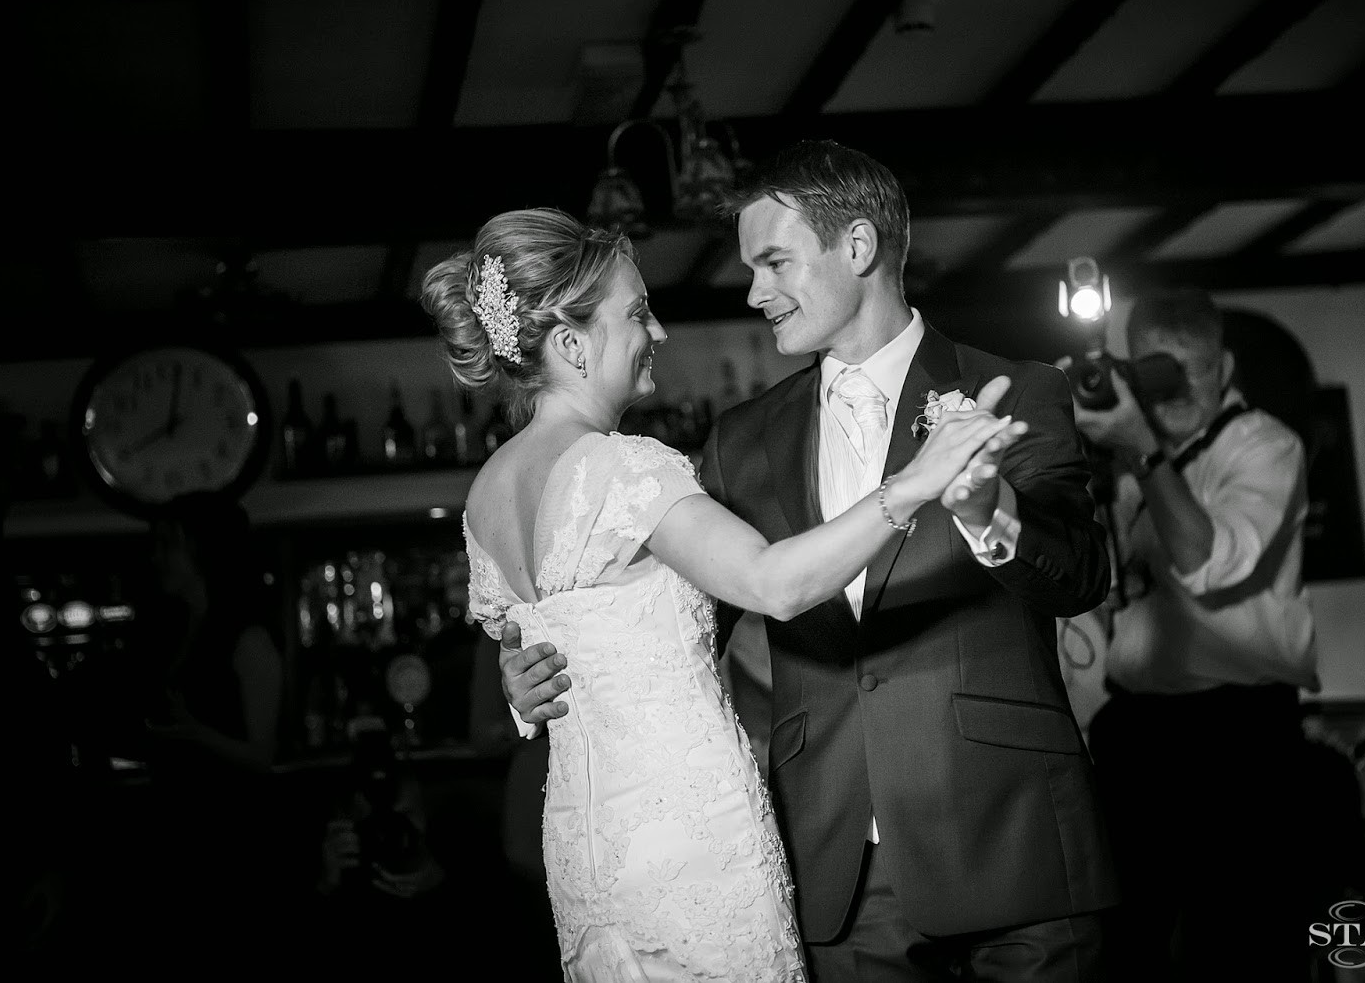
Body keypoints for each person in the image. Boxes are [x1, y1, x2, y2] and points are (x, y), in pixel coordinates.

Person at [504, 141, 1119, 982]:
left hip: (1016, 844)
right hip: (838, 869)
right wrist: (545, 666)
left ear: (857, 247)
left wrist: (987, 510)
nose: (754, 291)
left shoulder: (1014, 390)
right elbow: (676, 624)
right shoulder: (741, 440)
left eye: (774, 262)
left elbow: (1081, 576)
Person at [420, 203, 1026, 982]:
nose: (659, 331)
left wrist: (521, 687)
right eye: (637, 313)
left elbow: (535, 650)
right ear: (571, 344)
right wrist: (911, 485)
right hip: (690, 834)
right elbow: (773, 583)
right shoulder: (621, 467)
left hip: (586, 844)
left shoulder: (485, 495)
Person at [1064, 287, 1320, 981]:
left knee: (1246, 945)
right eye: (1156, 370)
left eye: (1192, 368)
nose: (1174, 387)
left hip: (1242, 734)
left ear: (1225, 366)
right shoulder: (1124, 463)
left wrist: (1143, 453)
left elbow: (1208, 564)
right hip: (1139, 729)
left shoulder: (1265, 445)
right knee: (1127, 948)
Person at [139, 493, 287, 962]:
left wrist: (195, 732)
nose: (156, 558)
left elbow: (262, 755)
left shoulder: (248, 636)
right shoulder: (181, 628)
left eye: (168, 545)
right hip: (185, 835)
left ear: (201, 550)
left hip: (230, 842)